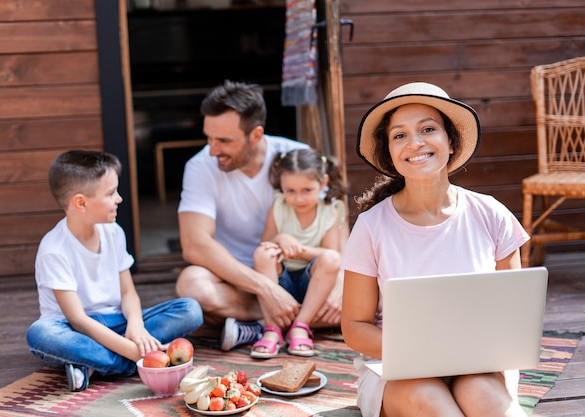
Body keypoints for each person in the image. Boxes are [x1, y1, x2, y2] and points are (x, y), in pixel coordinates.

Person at [340, 82, 530, 417]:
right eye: (400, 135)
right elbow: (354, 326)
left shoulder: (491, 214)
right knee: (432, 403)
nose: (415, 143)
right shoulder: (371, 227)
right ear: (390, 152)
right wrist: (426, 351)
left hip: (478, 363)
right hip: (397, 367)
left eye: (428, 129)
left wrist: (467, 352)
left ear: (451, 142)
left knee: (485, 398)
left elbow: (512, 320)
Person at [175, 80, 345, 352]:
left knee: (370, 294)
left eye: (224, 140)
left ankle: (262, 327)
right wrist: (267, 290)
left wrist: (340, 282)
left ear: (255, 135)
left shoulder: (295, 157)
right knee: (192, 285)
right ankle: (296, 320)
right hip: (240, 279)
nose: (213, 149)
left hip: (304, 272)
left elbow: (335, 222)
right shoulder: (200, 166)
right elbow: (195, 245)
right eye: (209, 138)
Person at [26, 150, 203, 392]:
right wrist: (134, 352)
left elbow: (128, 293)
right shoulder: (54, 250)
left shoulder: (114, 232)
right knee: (41, 334)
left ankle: (91, 366)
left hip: (117, 322)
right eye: (110, 194)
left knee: (190, 310)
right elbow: (78, 320)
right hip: (75, 329)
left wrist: (137, 325)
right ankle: (133, 363)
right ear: (80, 203)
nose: (119, 199)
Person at [250, 148, 347, 358]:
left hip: (313, 286)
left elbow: (332, 254)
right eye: (290, 191)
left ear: (323, 184)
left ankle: (301, 326)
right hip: (280, 287)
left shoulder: (331, 210)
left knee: (331, 258)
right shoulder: (279, 206)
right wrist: (280, 239)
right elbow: (265, 243)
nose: (298, 198)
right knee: (263, 254)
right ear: (281, 188)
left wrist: (301, 251)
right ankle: (272, 329)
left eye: (307, 190)